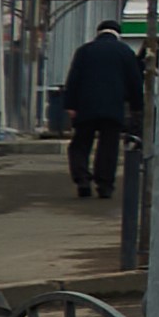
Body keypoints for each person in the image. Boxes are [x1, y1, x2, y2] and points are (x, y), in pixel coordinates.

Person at [63, 25, 143, 200]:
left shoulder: (84, 51)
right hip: (113, 107)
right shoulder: (125, 52)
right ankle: (104, 185)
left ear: (98, 33)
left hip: (86, 106)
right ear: (117, 34)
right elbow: (135, 81)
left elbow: (73, 78)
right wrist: (137, 107)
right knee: (109, 147)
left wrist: (70, 105)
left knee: (80, 144)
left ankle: (82, 179)